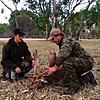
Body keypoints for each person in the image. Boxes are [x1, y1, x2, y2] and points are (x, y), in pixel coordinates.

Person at [41, 28, 97, 95]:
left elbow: (63, 55)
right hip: (78, 62)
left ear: (59, 36)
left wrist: (54, 68)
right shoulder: (62, 44)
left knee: (67, 63)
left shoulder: (67, 41)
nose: (53, 41)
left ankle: (74, 87)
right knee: (65, 77)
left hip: (87, 62)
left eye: (53, 39)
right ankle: (88, 77)